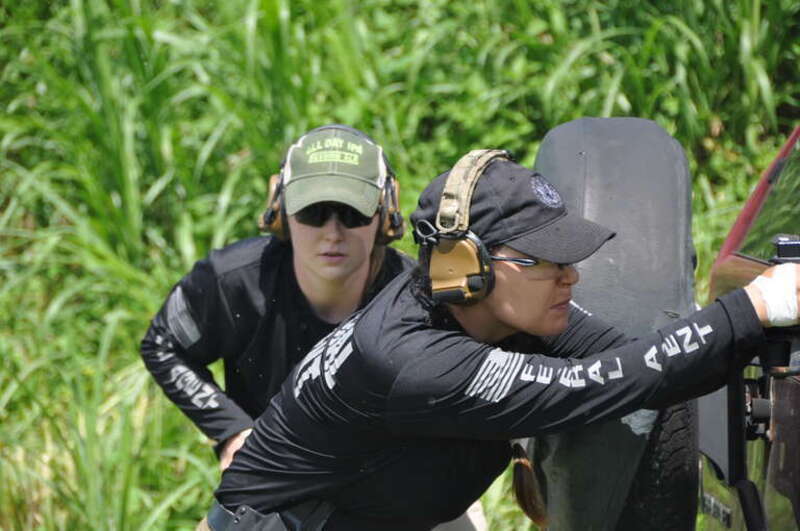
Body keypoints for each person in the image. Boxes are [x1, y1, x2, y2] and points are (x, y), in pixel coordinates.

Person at [204, 149, 799, 530]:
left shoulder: (493, 308)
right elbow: (593, 384)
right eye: (547, 259)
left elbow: (635, 366)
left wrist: (756, 333)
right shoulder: (413, 361)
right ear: (470, 265)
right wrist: (751, 306)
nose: (571, 275)